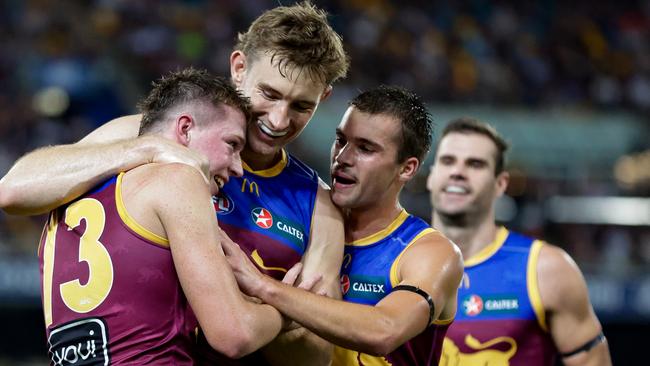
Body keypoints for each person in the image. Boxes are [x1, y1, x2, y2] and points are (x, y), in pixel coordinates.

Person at [0, 2, 348, 365]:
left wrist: (264, 297)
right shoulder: (149, 134)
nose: (278, 120)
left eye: (301, 107)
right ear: (239, 68)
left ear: (323, 99)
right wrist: (148, 148)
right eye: (270, 94)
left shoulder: (319, 207)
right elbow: (14, 188)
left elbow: (315, 358)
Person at [39, 68, 291, 364]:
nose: (238, 168)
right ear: (185, 129)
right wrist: (288, 308)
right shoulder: (179, 179)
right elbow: (233, 334)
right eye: (232, 145)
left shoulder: (66, 199)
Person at [222, 85, 463, 366]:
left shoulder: (428, 252)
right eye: (341, 140)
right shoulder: (303, 226)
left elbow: (385, 330)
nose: (343, 158)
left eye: (365, 148)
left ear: (407, 168)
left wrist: (264, 287)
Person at [426, 117, 612, 365]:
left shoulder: (546, 269)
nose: (458, 172)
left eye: (475, 164)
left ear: (500, 184)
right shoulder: (395, 258)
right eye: (447, 161)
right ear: (431, 176)